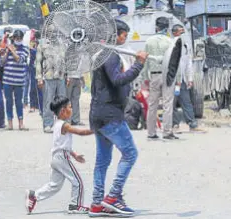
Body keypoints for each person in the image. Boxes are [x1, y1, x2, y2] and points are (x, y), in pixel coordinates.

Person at [89, 19, 148, 217]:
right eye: (124, 34)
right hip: (109, 116)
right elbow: (118, 80)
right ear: (117, 34)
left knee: (103, 160)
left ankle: (97, 204)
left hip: (99, 115)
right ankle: (113, 197)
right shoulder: (109, 55)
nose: (125, 38)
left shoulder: (102, 53)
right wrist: (139, 65)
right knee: (130, 154)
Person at [25, 96, 93, 215]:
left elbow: (62, 145)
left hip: (57, 157)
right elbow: (81, 132)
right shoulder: (64, 125)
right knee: (78, 182)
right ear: (62, 110)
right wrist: (97, 129)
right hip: (61, 158)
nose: (71, 110)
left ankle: (34, 195)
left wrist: (75, 155)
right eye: (70, 107)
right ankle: (75, 205)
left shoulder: (57, 124)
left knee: (54, 185)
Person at [141, 17, 178, 140]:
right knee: (168, 104)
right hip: (167, 75)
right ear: (167, 28)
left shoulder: (148, 42)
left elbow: (144, 61)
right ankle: (167, 132)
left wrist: (145, 77)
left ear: (156, 27)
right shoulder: (170, 42)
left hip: (154, 75)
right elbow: (174, 62)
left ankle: (151, 133)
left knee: (152, 105)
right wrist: (176, 78)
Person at [171, 24, 205, 133]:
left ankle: (192, 124)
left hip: (182, 81)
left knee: (186, 102)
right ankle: (174, 125)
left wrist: (190, 78)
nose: (182, 34)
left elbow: (188, 63)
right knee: (172, 103)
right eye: (180, 32)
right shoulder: (170, 45)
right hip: (172, 80)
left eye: (183, 32)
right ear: (174, 33)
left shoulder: (185, 46)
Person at [36, 38, 66, 133]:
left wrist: (67, 75)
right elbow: (38, 62)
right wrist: (39, 78)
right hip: (49, 76)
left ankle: (61, 124)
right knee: (48, 102)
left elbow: (66, 61)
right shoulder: (42, 44)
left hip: (61, 77)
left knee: (62, 102)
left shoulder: (63, 43)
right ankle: (48, 124)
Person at [1, 30, 29, 130]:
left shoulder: (25, 49)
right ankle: (10, 123)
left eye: (20, 38)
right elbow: (2, 63)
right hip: (7, 80)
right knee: (8, 102)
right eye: (16, 38)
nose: (18, 40)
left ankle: (21, 123)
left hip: (19, 81)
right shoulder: (8, 48)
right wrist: (6, 52)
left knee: (18, 102)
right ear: (13, 38)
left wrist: (13, 51)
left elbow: (19, 60)